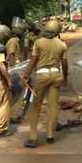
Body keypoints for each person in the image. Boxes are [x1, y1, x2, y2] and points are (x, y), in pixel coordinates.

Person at [22, 20, 68, 148]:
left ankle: (33, 137)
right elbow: (64, 63)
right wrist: (65, 77)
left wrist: (26, 74)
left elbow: (33, 60)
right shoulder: (62, 44)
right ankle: (50, 136)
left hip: (41, 76)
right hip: (56, 75)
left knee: (35, 106)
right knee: (52, 106)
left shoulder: (39, 42)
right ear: (57, 31)